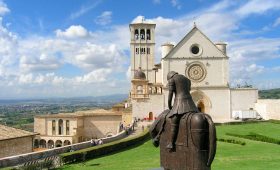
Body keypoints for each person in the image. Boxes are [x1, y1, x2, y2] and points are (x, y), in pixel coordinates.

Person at [166, 71, 198, 151]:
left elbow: (170, 94)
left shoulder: (172, 80)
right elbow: (187, 90)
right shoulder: (187, 80)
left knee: (174, 120)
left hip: (179, 104)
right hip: (191, 104)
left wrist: (170, 105)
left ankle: (171, 143)